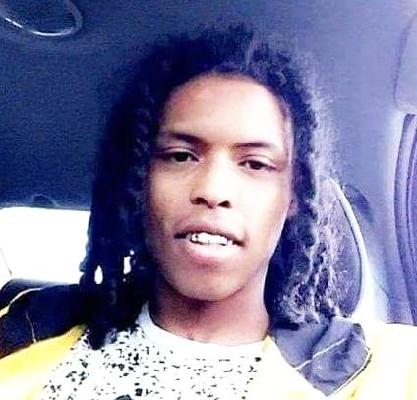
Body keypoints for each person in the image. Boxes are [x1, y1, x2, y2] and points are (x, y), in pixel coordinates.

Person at [1, 24, 417, 400]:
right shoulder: (21, 331)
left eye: (255, 164)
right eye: (180, 156)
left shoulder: (392, 370)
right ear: (139, 181)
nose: (213, 191)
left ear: (293, 196)